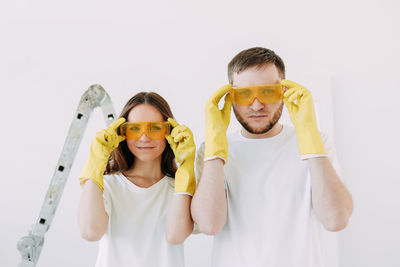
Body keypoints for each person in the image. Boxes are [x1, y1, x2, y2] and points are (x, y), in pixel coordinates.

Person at [191, 47, 354, 267]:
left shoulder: (317, 142)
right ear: (230, 97)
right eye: (245, 94)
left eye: (267, 92)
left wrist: (309, 137)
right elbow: (209, 225)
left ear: (284, 92)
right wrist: (215, 143)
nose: (257, 105)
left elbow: (336, 220)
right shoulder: (212, 151)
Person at [78, 92, 196, 267]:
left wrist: (186, 165)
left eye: (155, 128)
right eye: (134, 128)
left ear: (169, 132)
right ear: (123, 133)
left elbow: (175, 235)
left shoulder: (180, 188)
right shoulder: (107, 185)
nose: (144, 137)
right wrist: (96, 163)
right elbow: (90, 232)